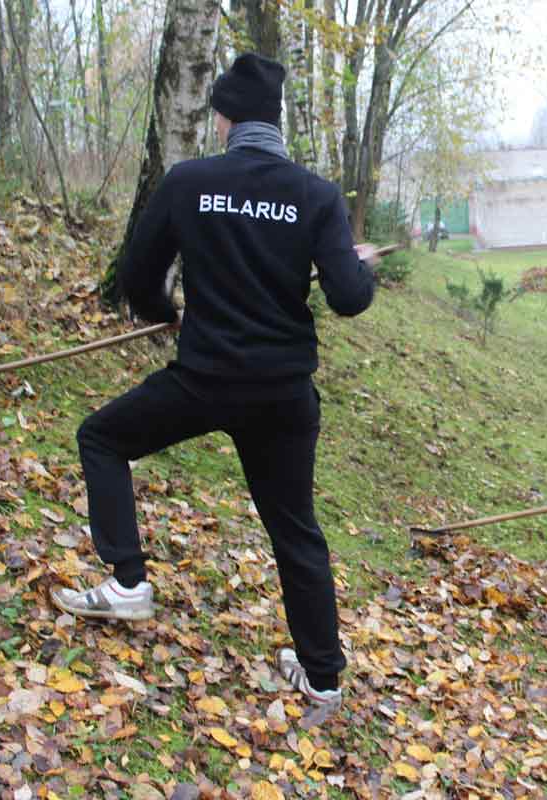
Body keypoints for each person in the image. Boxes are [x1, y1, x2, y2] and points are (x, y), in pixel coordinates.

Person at [51, 53, 378, 714]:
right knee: (295, 531)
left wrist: (164, 316)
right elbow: (347, 298)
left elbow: (139, 279)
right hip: (283, 394)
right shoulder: (316, 197)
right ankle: (322, 675)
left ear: (224, 116)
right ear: (276, 123)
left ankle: (128, 582)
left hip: (204, 380)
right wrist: (359, 264)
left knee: (102, 439)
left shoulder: (189, 182)